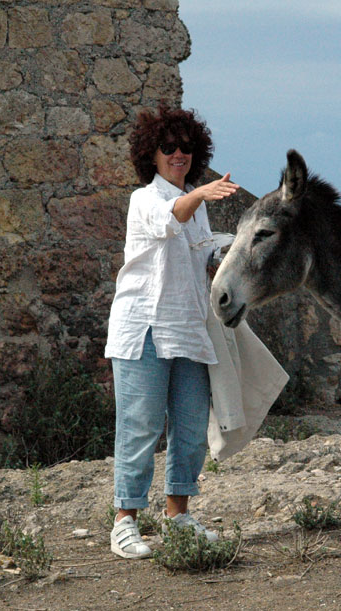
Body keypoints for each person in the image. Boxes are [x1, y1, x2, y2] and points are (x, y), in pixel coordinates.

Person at [104, 104, 239, 559]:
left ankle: (178, 517)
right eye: (167, 147)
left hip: (187, 329)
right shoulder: (146, 198)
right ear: (152, 154)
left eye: (185, 147)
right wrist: (200, 194)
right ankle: (125, 522)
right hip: (142, 329)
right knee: (140, 427)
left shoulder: (198, 210)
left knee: (189, 430)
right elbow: (170, 218)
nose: (177, 154)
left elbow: (199, 262)